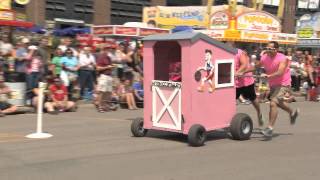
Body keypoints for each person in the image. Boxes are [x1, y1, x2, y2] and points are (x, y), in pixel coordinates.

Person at [254, 41, 299, 137]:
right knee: (278, 103)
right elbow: (255, 66)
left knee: (273, 103)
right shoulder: (265, 57)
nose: (268, 50)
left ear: (276, 49)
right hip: (273, 84)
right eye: (267, 48)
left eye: (270, 49)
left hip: (284, 83)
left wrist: (268, 75)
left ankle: (270, 128)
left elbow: (280, 72)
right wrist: (242, 71)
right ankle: (292, 112)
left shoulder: (283, 58)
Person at [233, 47, 263, 127]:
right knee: (231, 101)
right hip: (234, 83)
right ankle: (230, 120)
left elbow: (245, 65)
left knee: (252, 98)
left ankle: (259, 113)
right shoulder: (223, 51)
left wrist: (238, 72)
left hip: (246, 81)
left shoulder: (240, 52)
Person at [95, 46, 115, 112]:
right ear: (104, 50)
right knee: (101, 91)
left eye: (109, 49)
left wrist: (112, 67)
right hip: (103, 75)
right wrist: (107, 67)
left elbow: (110, 66)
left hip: (109, 76)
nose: (109, 50)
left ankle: (105, 105)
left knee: (108, 92)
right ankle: (100, 106)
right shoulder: (101, 57)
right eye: (107, 49)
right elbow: (98, 68)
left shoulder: (109, 58)